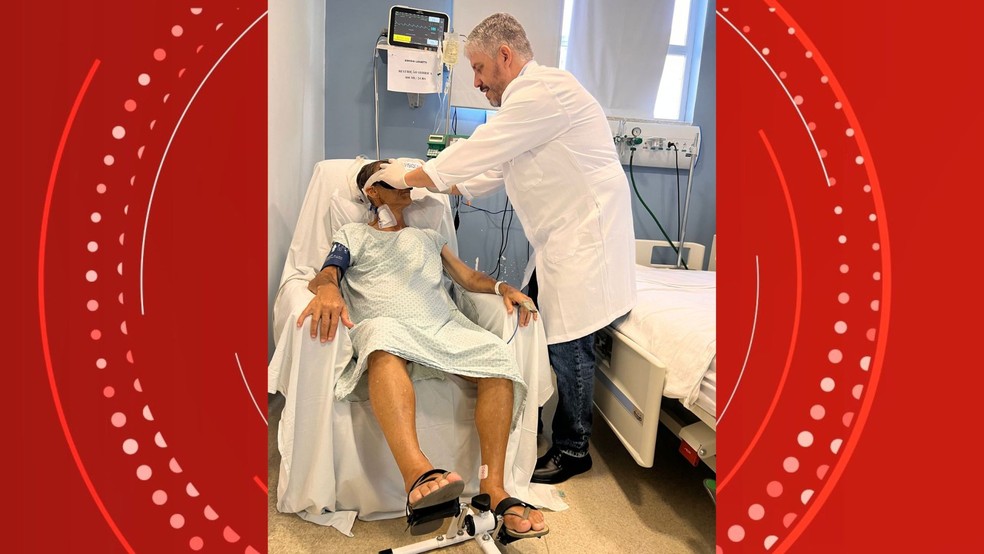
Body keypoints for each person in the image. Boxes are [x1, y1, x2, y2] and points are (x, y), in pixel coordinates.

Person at [371, 13, 637, 484]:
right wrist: (442, 186)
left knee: (570, 344)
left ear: (505, 57)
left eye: (477, 69)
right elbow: (495, 169)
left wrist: (408, 177)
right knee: (530, 316)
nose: (474, 82)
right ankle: (530, 420)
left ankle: (574, 448)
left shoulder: (542, 93)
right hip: (560, 239)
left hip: (585, 237)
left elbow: (482, 149)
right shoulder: (526, 108)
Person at [296, 160, 548, 543]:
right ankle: (418, 475)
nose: (402, 181)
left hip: (441, 324)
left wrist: (502, 289)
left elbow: (467, 277)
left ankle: (493, 489)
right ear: (372, 192)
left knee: (498, 357)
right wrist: (328, 288)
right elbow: (328, 271)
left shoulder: (429, 236)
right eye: (388, 176)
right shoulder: (352, 234)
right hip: (387, 324)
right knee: (381, 338)